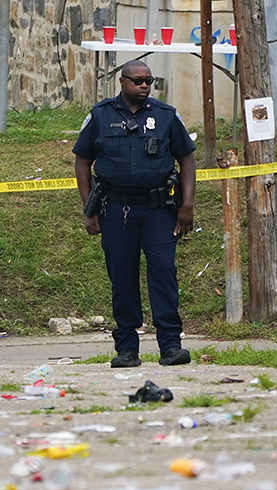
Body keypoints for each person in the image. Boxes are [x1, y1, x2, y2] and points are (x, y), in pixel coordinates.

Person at [73, 60, 196, 368]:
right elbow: (82, 162)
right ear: (122, 82)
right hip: (116, 210)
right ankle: (127, 348)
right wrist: (89, 208)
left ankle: (170, 345)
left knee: (163, 274)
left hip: (159, 210)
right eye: (138, 81)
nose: (144, 86)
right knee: (123, 278)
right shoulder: (100, 116)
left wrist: (187, 205)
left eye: (149, 81)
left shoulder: (165, 116)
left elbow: (187, 159)